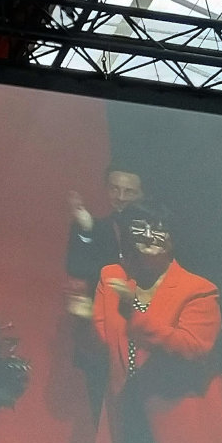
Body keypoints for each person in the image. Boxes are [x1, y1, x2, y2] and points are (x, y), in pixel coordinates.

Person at [91, 202, 222, 443]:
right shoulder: (112, 278)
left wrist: (137, 311)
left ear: (172, 238)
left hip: (184, 438)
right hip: (127, 429)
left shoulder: (198, 289)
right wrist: (80, 320)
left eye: (157, 229)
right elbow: (102, 342)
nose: (147, 236)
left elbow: (193, 347)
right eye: (139, 228)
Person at [65, 165, 144, 420]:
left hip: (144, 332)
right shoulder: (93, 227)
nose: (120, 197)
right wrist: (86, 230)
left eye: (129, 191)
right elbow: (76, 265)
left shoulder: (156, 232)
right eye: (115, 189)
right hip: (103, 333)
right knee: (102, 411)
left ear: (142, 193)